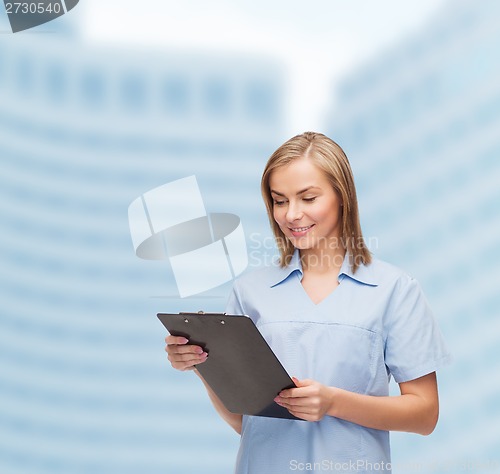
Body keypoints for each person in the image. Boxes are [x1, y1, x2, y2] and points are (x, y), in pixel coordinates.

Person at [165, 132, 451, 473]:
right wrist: (201, 363)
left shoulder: (394, 291)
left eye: (308, 198)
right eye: (280, 200)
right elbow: (245, 422)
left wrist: (333, 402)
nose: (292, 215)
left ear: (342, 197)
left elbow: (424, 415)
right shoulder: (250, 292)